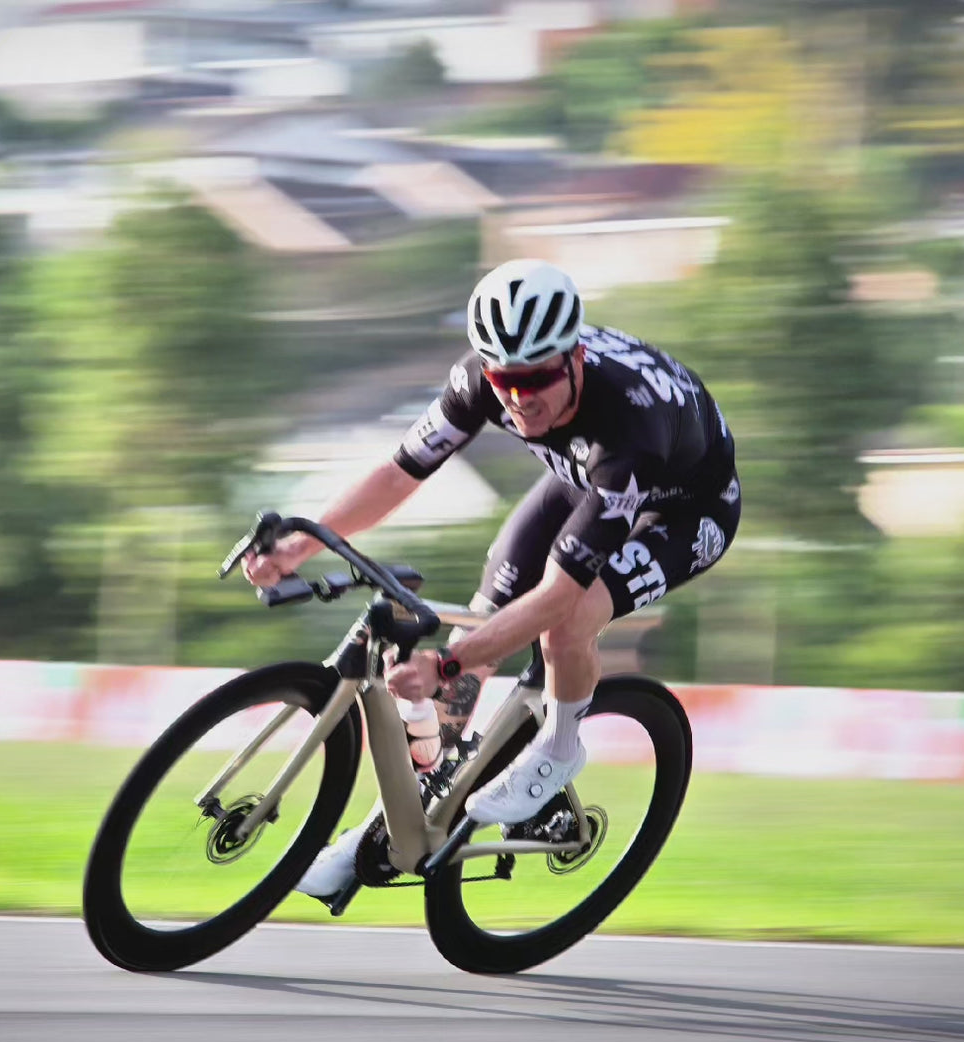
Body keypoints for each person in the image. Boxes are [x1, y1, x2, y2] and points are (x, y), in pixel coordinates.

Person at [243, 259, 740, 899]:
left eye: (536, 380)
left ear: (574, 359)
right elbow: (399, 473)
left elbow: (558, 595)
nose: (518, 397)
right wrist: (298, 545)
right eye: (505, 380)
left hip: (684, 510)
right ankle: (392, 827)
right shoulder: (481, 380)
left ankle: (558, 749)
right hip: (581, 479)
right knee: (485, 620)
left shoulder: (629, 424)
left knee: (566, 620)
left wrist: (444, 665)